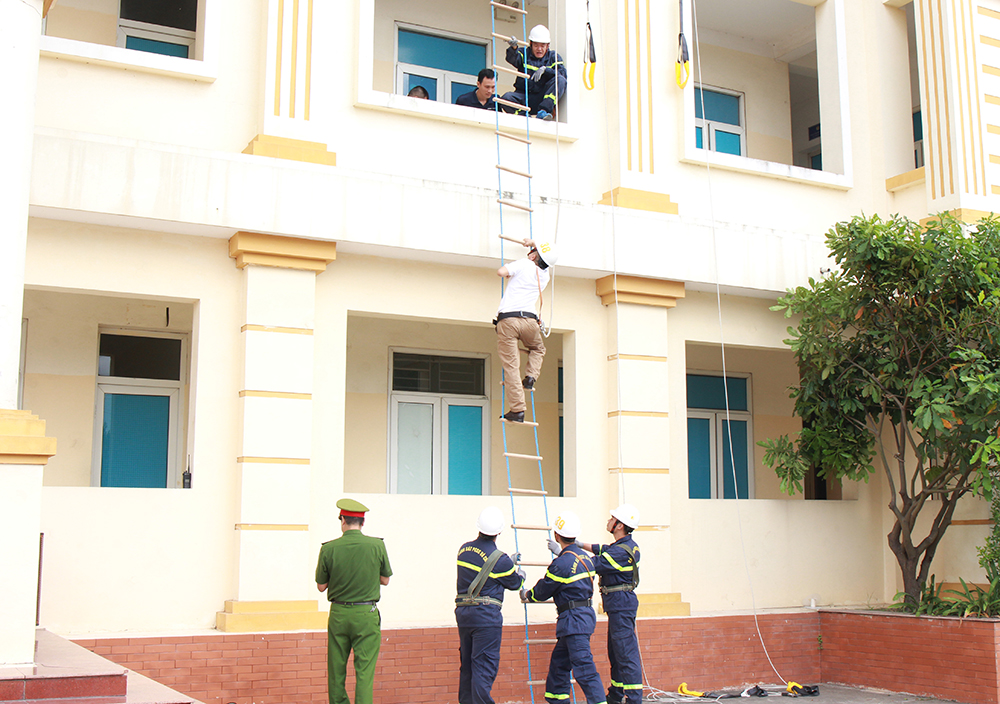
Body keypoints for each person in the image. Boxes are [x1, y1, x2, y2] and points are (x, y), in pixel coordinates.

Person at [522, 511, 606, 704]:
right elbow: (572, 569)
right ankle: (557, 700)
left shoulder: (561, 563)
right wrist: (561, 554)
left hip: (573, 621)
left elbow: (544, 590)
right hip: (581, 618)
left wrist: (527, 594)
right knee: (559, 667)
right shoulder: (585, 558)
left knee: (584, 669)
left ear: (556, 536)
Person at [315, 498, 393, 704]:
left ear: (342, 521)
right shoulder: (376, 545)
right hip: (366, 614)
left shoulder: (329, 548)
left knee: (336, 670)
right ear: (363, 522)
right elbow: (385, 579)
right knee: (365, 672)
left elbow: (321, 586)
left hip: (339, 614)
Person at [455, 507, 526, 704]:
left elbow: (483, 568)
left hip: (464, 614)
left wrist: (505, 563)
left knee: (468, 666)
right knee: (484, 667)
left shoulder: (464, 549)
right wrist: (519, 573)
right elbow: (514, 583)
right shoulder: (500, 560)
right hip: (485, 617)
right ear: (499, 532)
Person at [577, 504, 642, 704]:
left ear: (619, 525)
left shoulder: (621, 553)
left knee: (625, 654)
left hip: (621, 606)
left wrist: (568, 551)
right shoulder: (624, 546)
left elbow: (593, 563)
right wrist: (579, 544)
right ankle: (615, 695)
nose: (608, 521)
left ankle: (633, 699)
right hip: (618, 606)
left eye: (612, 518)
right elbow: (602, 549)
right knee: (616, 653)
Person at [495, 238, 560, 423]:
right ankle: (531, 376)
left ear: (535, 255)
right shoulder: (545, 275)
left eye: (533, 250)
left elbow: (501, 272)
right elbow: (548, 251)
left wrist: (510, 271)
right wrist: (533, 242)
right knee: (538, 349)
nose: (530, 251)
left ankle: (518, 410)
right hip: (530, 321)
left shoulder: (524, 264)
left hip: (509, 319)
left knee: (511, 366)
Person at [500, 25, 567, 120]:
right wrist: (514, 48)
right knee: (506, 98)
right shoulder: (524, 53)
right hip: (524, 96)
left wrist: (546, 70)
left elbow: (562, 76)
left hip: (542, 98)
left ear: (548, 45)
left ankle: (544, 111)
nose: (539, 49)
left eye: (542, 46)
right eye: (536, 45)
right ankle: (525, 117)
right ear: (531, 44)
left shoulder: (553, 57)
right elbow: (513, 59)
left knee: (560, 80)